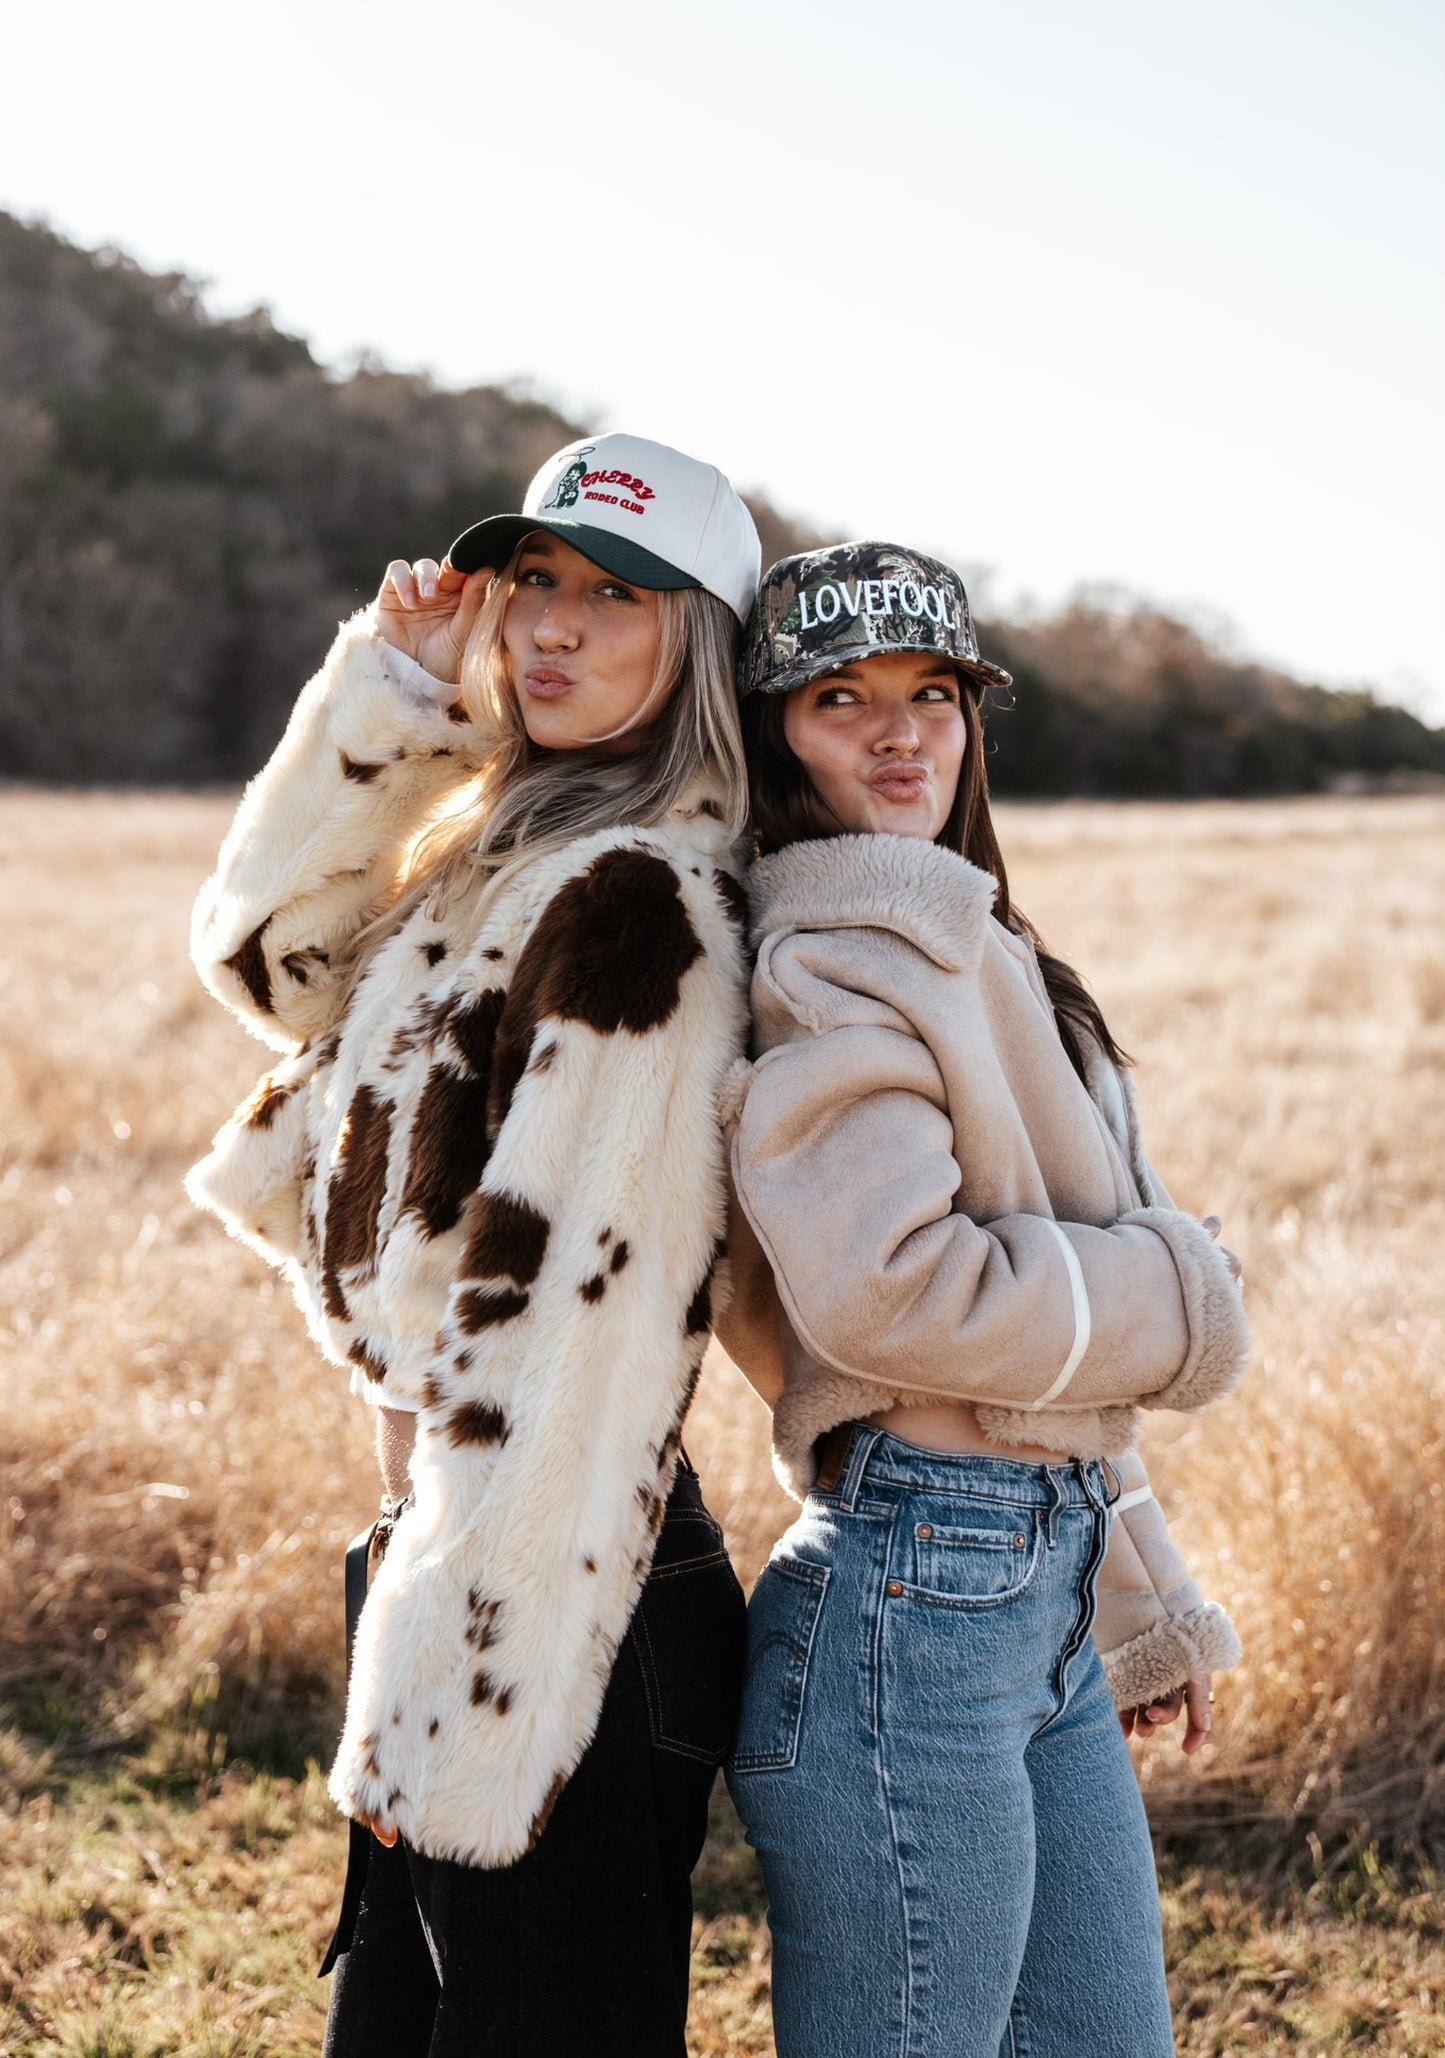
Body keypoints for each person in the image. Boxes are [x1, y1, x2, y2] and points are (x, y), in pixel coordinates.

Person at [185, 432, 761, 2056]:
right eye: (535, 583)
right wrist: (385, 700)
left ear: (698, 639)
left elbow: (570, 1338)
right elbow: (263, 959)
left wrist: (466, 1679)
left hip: (557, 1579)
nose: (553, 628)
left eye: (616, 595)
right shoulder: (500, 848)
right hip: (460, 1552)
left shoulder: (639, 902)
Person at [717, 542, 1251, 2058]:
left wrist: (1137, 1592)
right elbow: (895, 1292)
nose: (901, 733)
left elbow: (1042, 1343)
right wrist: (1185, 1289)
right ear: (774, 737)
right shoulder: (827, 952)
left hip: (1035, 1584)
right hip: (910, 1600)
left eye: (932, 694)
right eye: (840, 699)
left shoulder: (982, 944)